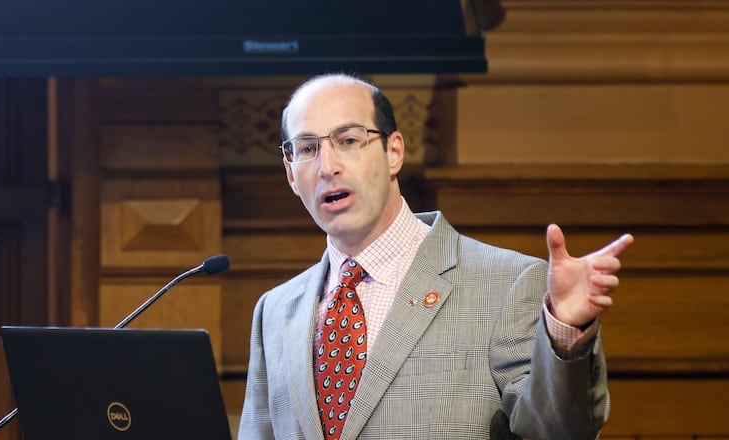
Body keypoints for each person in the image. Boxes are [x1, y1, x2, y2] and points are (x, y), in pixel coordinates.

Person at [238, 73, 634, 439]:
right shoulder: (274, 311)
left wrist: (565, 331)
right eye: (308, 148)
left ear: (394, 152)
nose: (327, 167)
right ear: (291, 174)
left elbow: (563, 429)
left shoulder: (506, 283)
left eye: (348, 140)